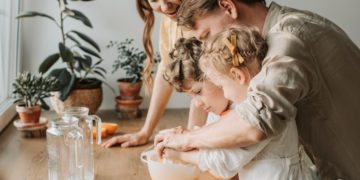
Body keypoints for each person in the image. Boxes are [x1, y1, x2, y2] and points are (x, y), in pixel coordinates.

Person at [154, 0, 360, 179]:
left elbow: (254, 122)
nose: (207, 48)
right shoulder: (273, 39)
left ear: (227, 6)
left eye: (206, 35)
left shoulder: (289, 38)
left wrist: (185, 139)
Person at [160, 28, 316, 179]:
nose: (197, 103)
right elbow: (214, 148)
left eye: (198, 92)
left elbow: (223, 163)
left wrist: (178, 154)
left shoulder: (255, 109)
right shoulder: (222, 109)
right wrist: (182, 140)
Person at [101, 0, 210, 148]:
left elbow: (205, 85)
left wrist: (190, 139)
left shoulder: (208, 16)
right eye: (154, 0)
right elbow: (166, 70)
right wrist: (145, 132)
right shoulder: (170, 18)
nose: (165, 7)